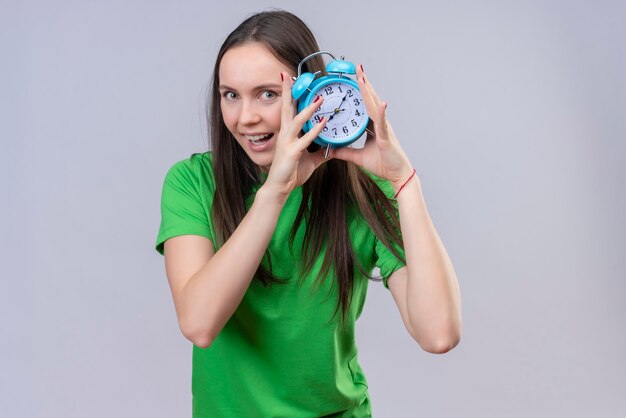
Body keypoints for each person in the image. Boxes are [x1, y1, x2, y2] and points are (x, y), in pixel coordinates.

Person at [155, 9, 462, 418]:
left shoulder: (359, 189)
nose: (246, 117)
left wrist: (404, 181)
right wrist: (276, 192)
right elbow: (198, 323)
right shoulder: (192, 182)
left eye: (267, 93)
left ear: (310, 92)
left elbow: (438, 332)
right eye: (231, 94)